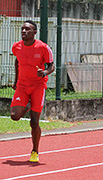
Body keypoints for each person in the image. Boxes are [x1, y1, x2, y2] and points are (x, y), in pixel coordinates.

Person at [10, 20, 55, 163]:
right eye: (22, 29)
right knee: (14, 116)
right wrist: (16, 80)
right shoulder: (16, 47)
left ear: (34, 32)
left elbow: (52, 65)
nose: (24, 32)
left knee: (34, 122)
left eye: (27, 29)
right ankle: (28, 105)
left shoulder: (43, 47)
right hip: (22, 86)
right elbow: (17, 61)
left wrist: (45, 72)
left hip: (38, 86)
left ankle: (35, 151)